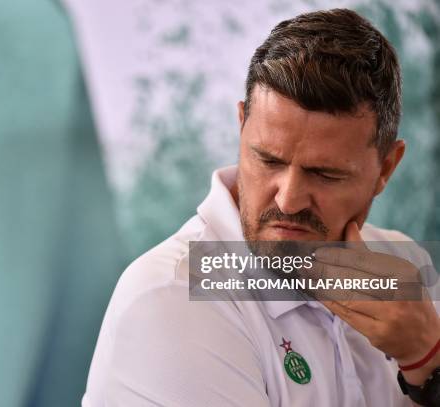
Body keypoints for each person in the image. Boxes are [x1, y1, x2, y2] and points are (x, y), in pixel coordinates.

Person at [82, 8, 440, 407]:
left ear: (386, 168)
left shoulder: (404, 270)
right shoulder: (170, 297)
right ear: (241, 125)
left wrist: (427, 360)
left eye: (325, 174)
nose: (288, 199)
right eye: (269, 160)